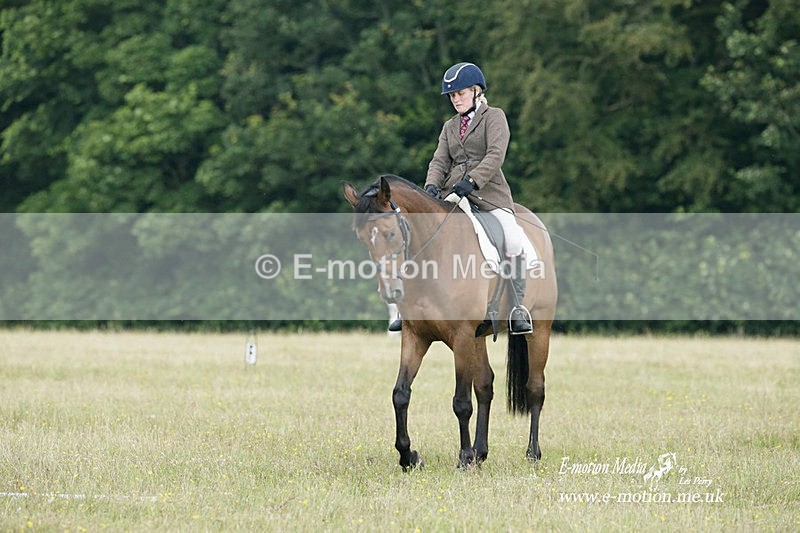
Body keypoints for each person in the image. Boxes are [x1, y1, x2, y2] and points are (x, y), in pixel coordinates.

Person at [388, 62, 532, 335]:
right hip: (452, 196)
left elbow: (495, 155)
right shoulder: (449, 127)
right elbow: (439, 160)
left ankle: (517, 308)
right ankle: (406, 307)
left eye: (461, 94)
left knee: (512, 238)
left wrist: (473, 180)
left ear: (477, 91)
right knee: (417, 236)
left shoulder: (495, 117)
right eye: (452, 96)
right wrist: (430, 187)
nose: (456, 100)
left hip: (490, 196)